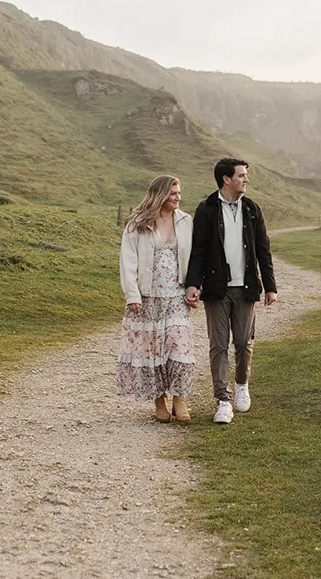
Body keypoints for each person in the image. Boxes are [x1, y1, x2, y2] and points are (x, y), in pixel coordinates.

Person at [184, 158, 277, 424]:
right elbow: (198, 250)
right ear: (226, 179)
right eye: (241, 175)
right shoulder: (207, 209)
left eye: (245, 175)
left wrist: (270, 286)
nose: (246, 180)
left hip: (246, 287)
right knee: (218, 345)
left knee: (243, 342)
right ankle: (223, 400)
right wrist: (193, 283)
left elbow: (263, 250)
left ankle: (241, 385)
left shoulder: (251, 209)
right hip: (216, 288)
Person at [116, 175, 195, 422]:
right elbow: (127, 262)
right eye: (172, 193)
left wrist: (194, 287)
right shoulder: (137, 224)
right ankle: (160, 400)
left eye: (179, 192)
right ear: (159, 195)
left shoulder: (186, 221)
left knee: (178, 346)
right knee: (153, 351)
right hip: (148, 297)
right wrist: (132, 295)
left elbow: (193, 257)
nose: (178, 197)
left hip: (176, 296)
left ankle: (180, 399)